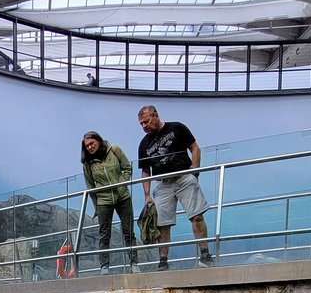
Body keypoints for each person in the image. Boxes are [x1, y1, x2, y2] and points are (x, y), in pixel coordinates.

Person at [137, 105, 214, 270]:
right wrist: (147, 195)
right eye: (141, 124)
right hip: (163, 183)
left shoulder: (177, 127)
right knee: (162, 224)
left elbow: (194, 147)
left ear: (155, 115)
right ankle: (163, 261)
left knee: (197, 216)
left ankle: (205, 254)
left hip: (184, 177)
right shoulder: (144, 144)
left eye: (146, 121)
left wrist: (195, 171)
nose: (144, 126)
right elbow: (145, 170)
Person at [81, 131, 138, 273]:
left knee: (128, 231)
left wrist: (121, 184)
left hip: (123, 197)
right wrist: (96, 206)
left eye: (91, 143)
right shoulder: (88, 163)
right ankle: (104, 266)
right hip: (103, 201)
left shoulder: (114, 150)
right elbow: (90, 187)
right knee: (104, 234)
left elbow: (127, 167)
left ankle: (134, 263)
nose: (89, 147)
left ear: (98, 140)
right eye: (86, 146)